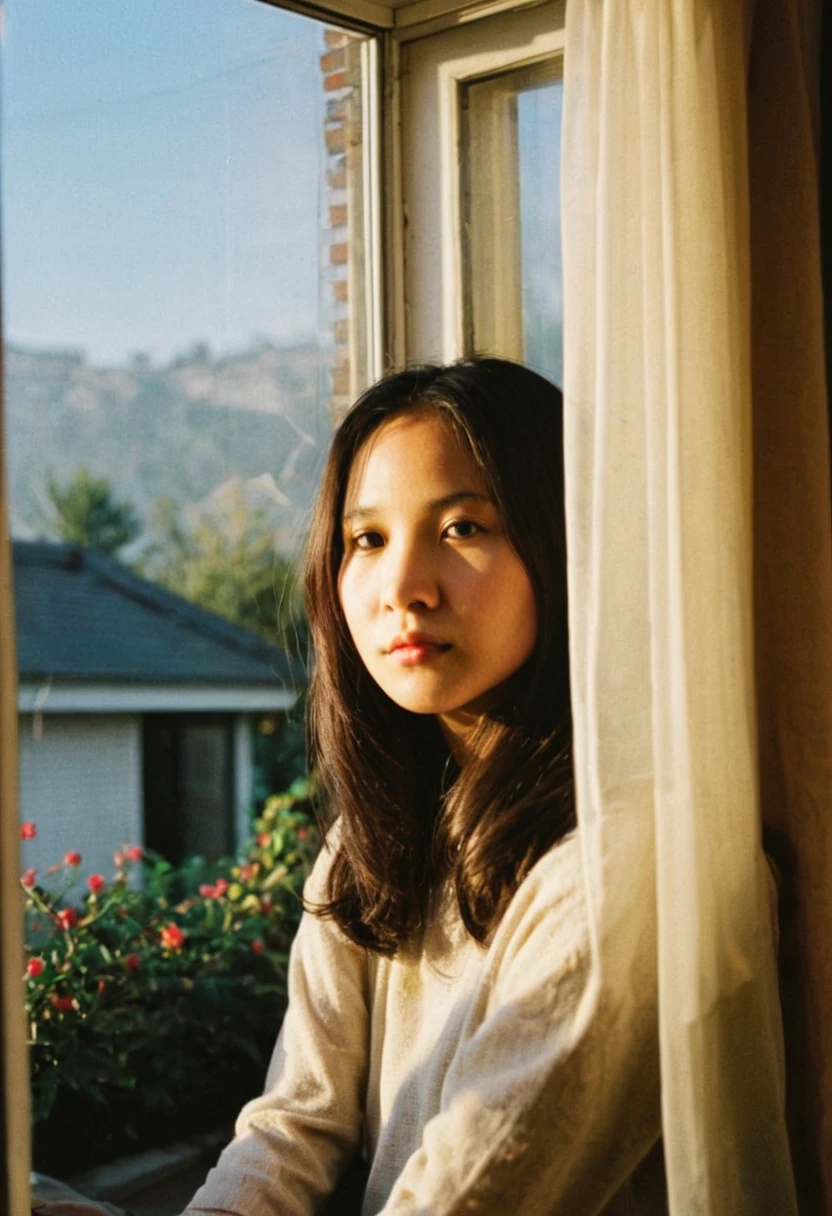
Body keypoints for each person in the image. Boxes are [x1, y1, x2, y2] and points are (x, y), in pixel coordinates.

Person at [34, 358, 664, 1216]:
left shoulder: (621, 864)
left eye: (464, 528)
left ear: (562, 545)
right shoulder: (371, 846)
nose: (403, 588)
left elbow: (472, 1192)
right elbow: (296, 1124)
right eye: (367, 539)